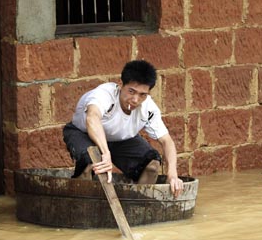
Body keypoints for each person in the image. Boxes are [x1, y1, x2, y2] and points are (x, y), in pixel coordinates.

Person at [63, 60, 184, 197]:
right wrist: (105, 153)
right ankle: (83, 208)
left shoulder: (148, 108)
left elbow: (167, 141)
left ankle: (138, 208)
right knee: (91, 162)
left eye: (142, 95)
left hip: (121, 140)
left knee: (152, 164)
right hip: (83, 133)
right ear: (120, 84)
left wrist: (172, 174)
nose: (135, 100)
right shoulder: (104, 94)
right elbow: (92, 118)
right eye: (131, 91)